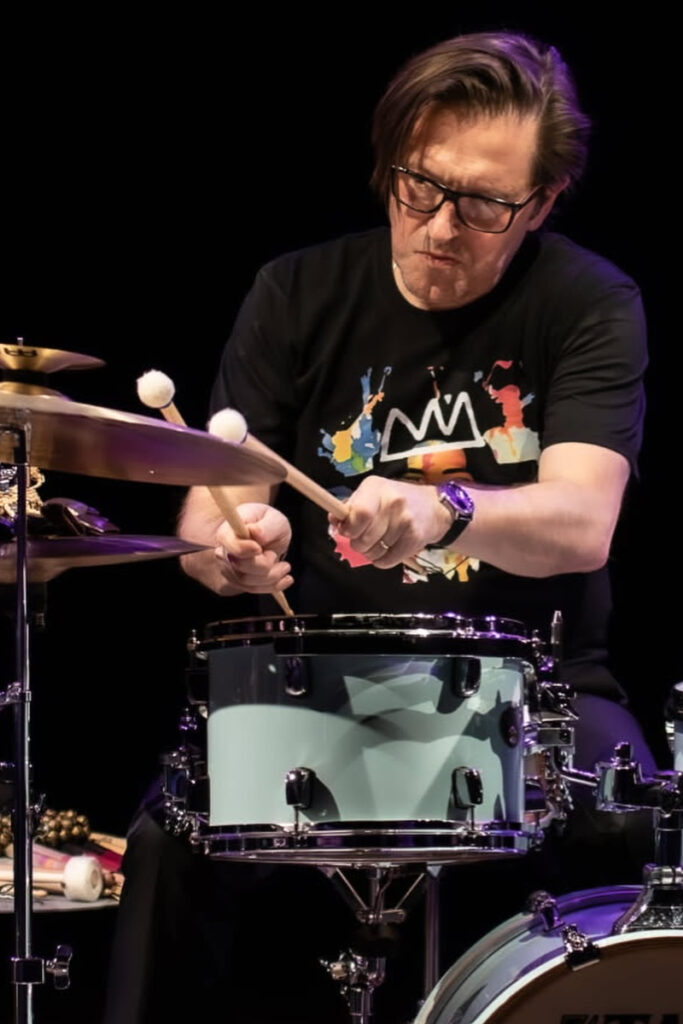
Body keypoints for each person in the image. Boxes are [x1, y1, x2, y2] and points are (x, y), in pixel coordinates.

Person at [104, 31, 657, 1024]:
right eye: (419, 187)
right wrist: (231, 548)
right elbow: (213, 504)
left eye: (482, 205)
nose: (440, 226)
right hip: (318, 687)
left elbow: (582, 523)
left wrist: (443, 507)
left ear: (540, 202)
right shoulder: (295, 292)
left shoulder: (586, 302)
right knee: (167, 841)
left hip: (538, 690)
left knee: (630, 827)